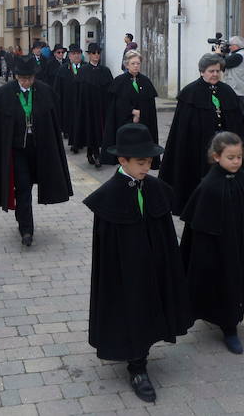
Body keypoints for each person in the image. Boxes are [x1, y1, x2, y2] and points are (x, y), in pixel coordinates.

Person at [83, 123, 192, 404]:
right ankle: (137, 366)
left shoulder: (155, 188)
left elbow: (165, 231)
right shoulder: (108, 196)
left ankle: (143, 350)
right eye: (141, 163)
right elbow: (105, 247)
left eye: (150, 162)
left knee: (151, 306)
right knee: (130, 309)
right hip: (125, 269)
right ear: (122, 161)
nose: (147, 167)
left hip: (153, 265)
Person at [180, 131, 244, 354]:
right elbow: (197, 234)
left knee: (240, 282)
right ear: (216, 157)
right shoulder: (208, 187)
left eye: (239, 157)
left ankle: (235, 315)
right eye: (230, 157)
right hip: (219, 252)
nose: (236, 162)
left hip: (243, 248)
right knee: (223, 284)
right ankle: (228, 326)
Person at [0, 55, 72, 247]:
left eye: (29, 78)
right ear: (16, 77)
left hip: (39, 148)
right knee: (22, 186)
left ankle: (23, 218)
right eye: (22, 78)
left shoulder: (44, 91)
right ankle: (26, 229)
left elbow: (53, 123)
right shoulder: (4, 94)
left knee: (30, 186)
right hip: (16, 150)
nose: (26, 82)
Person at [159, 53, 244, 214]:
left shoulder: (227, 92)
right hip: (198, 147)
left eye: (217, 71)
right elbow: (182, 129)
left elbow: (236, 123)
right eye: (211, 71)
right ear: (202, 72)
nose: (215, 74)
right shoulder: (190, 93)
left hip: (225, 148)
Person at [100, 50, 160, 169]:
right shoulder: (119, 81)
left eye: (138, 63)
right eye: (133, 63)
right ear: (127, 65)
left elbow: (150, 105)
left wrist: (141, 113)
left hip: (142, 124)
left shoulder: (145, 81)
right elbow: (116, 105)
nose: (136, 66)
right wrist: (132, 111)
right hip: (124, 124)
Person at [71, 43, 113, 167]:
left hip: (101, 107)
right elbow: (78, 91)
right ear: (89, 55)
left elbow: (110, 89)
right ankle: (94, 153)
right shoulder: (83, 71)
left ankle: (96, 153)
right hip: (87, 107)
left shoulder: (105, 71)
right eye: (93, 53)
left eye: (98, 53)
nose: (96, 55)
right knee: (90, 129)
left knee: (100, 130)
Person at [53, 43, 83, 142]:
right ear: (69, 56)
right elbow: (57, 87)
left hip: (82, 101)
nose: (76, 56)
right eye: (74, 53)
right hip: (68, 100)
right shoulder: (63, 69)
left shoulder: (85, 68)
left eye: (78, 53)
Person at [222, 36, 244, 114]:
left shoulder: (238, 56)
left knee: (234, 119)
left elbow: (220, 63)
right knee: (238, 120)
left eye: (230, 45)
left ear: (235, 45)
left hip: (237, 92)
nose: (229, 47)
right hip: (243, 92)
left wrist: (218, 54)